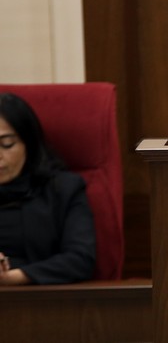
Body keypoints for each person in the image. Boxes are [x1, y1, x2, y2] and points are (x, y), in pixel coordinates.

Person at [0, 93, 96, 285]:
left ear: (30, 144)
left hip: (45, 303)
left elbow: (81, 259)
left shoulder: (63, 189)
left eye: (7, 144)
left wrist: (13, 278)